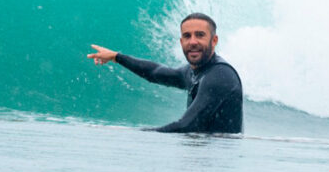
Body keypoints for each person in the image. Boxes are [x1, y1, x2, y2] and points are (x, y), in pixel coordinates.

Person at [87, 13, 243, 133]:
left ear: (214, 41)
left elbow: (186, 125)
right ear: (181, 42)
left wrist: (135, 134)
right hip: (205, 156)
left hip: (222, 163)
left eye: (200, 35)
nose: (193, 42)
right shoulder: (193, 72)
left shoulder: (220, 75)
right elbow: (155, 72)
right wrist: (116, 57)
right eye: (187, 36)